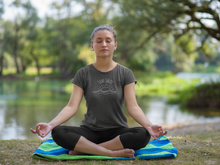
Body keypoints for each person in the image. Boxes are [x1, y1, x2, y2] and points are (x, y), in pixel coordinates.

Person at [31, 25, 167, 158]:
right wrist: (50, 125)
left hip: (117, 132)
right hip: (90, 132)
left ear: (115, 45)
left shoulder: (126, 73)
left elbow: (133, 107)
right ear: (92, 46)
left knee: (142, 134)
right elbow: (71, 107)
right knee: (58, 132)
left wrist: (149, 126)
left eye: (108, 41)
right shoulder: (83, 73)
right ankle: (110, 152)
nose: (104, 44)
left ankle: (86, 149)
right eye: (99, 41)